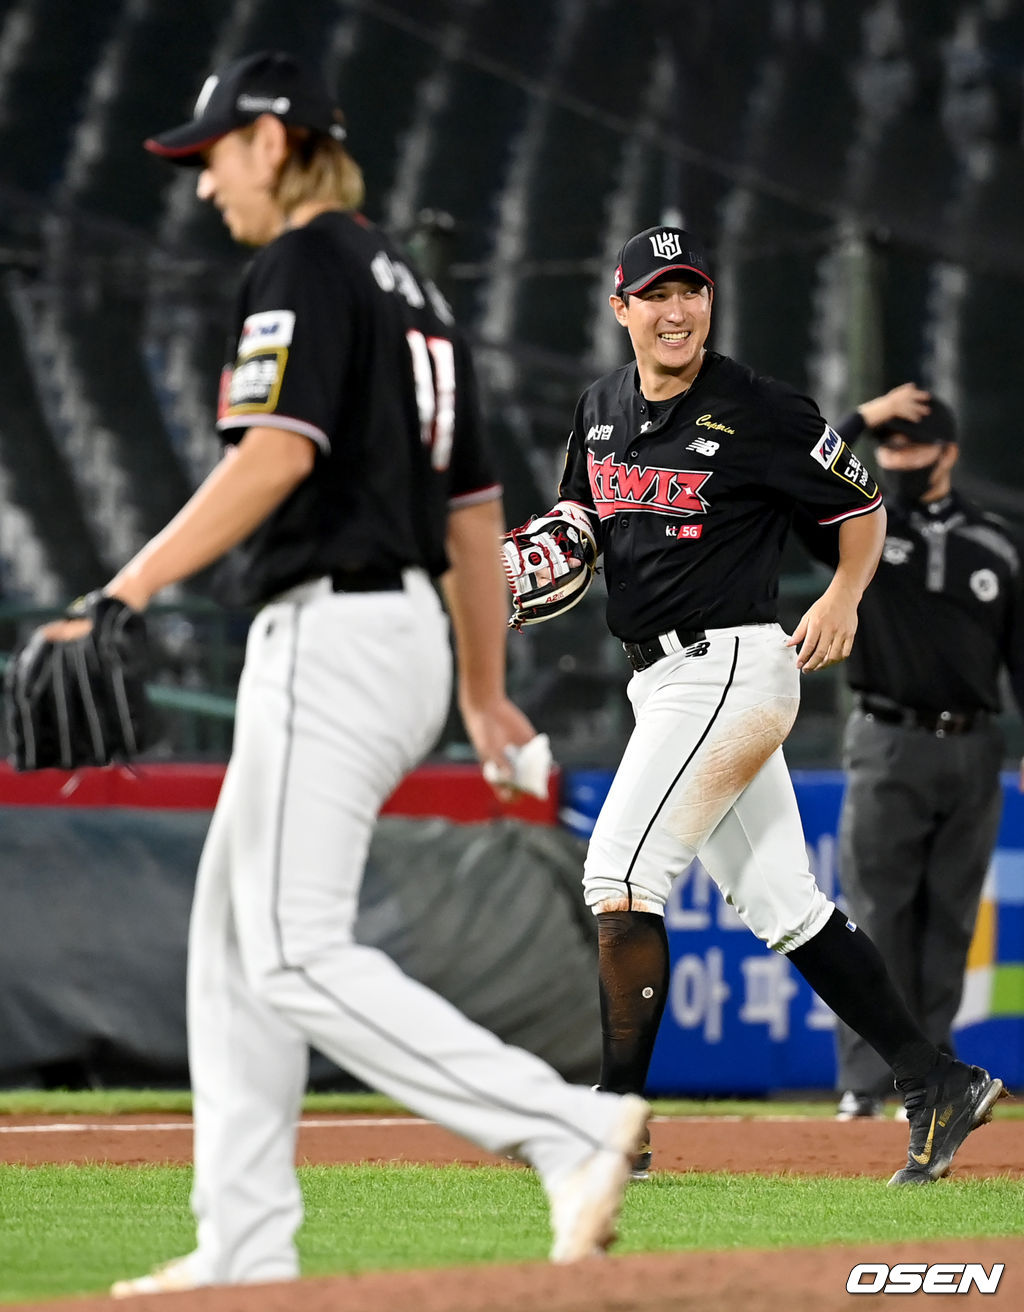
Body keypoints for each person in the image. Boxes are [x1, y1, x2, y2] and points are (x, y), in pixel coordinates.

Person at [41, 51, 650, 1293]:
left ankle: (564, 1128)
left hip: (335, 628)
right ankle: (245, 1240)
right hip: (401, 634)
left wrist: (121, 589)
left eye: (213, 153)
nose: (203, 183)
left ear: (272, 141)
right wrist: (480, 690)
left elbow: (273, 455)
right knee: (230, 941)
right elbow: (474, 516)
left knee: (288, 945)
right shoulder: (413, 289)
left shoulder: (303, 264)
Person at [501, 225, 1005, 1184]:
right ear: (622, 309)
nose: (677, 309)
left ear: (709, 302)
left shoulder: (760, 409)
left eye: (691, 290)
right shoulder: (600, 407)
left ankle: (615, 1124)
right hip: (661, 680)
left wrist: (844, 595)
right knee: (784, 904)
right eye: (657, 293)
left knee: (620, 879)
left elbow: (863, 507)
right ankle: (936, 1080)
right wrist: (552, 548)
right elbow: (581, 519)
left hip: (728, 665)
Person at [798, 383, 1024, 1121]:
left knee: (950, 919)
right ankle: (869, 1083)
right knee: (875, 914)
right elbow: (802, 475)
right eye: (888, 447)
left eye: (912, 446)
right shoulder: (863, 527)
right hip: (887, 738)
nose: (897, 459)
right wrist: (862, 418)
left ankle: (938, 1077)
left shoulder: (995, 542)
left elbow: (1020, 652)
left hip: (974, 745)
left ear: (948, 453)